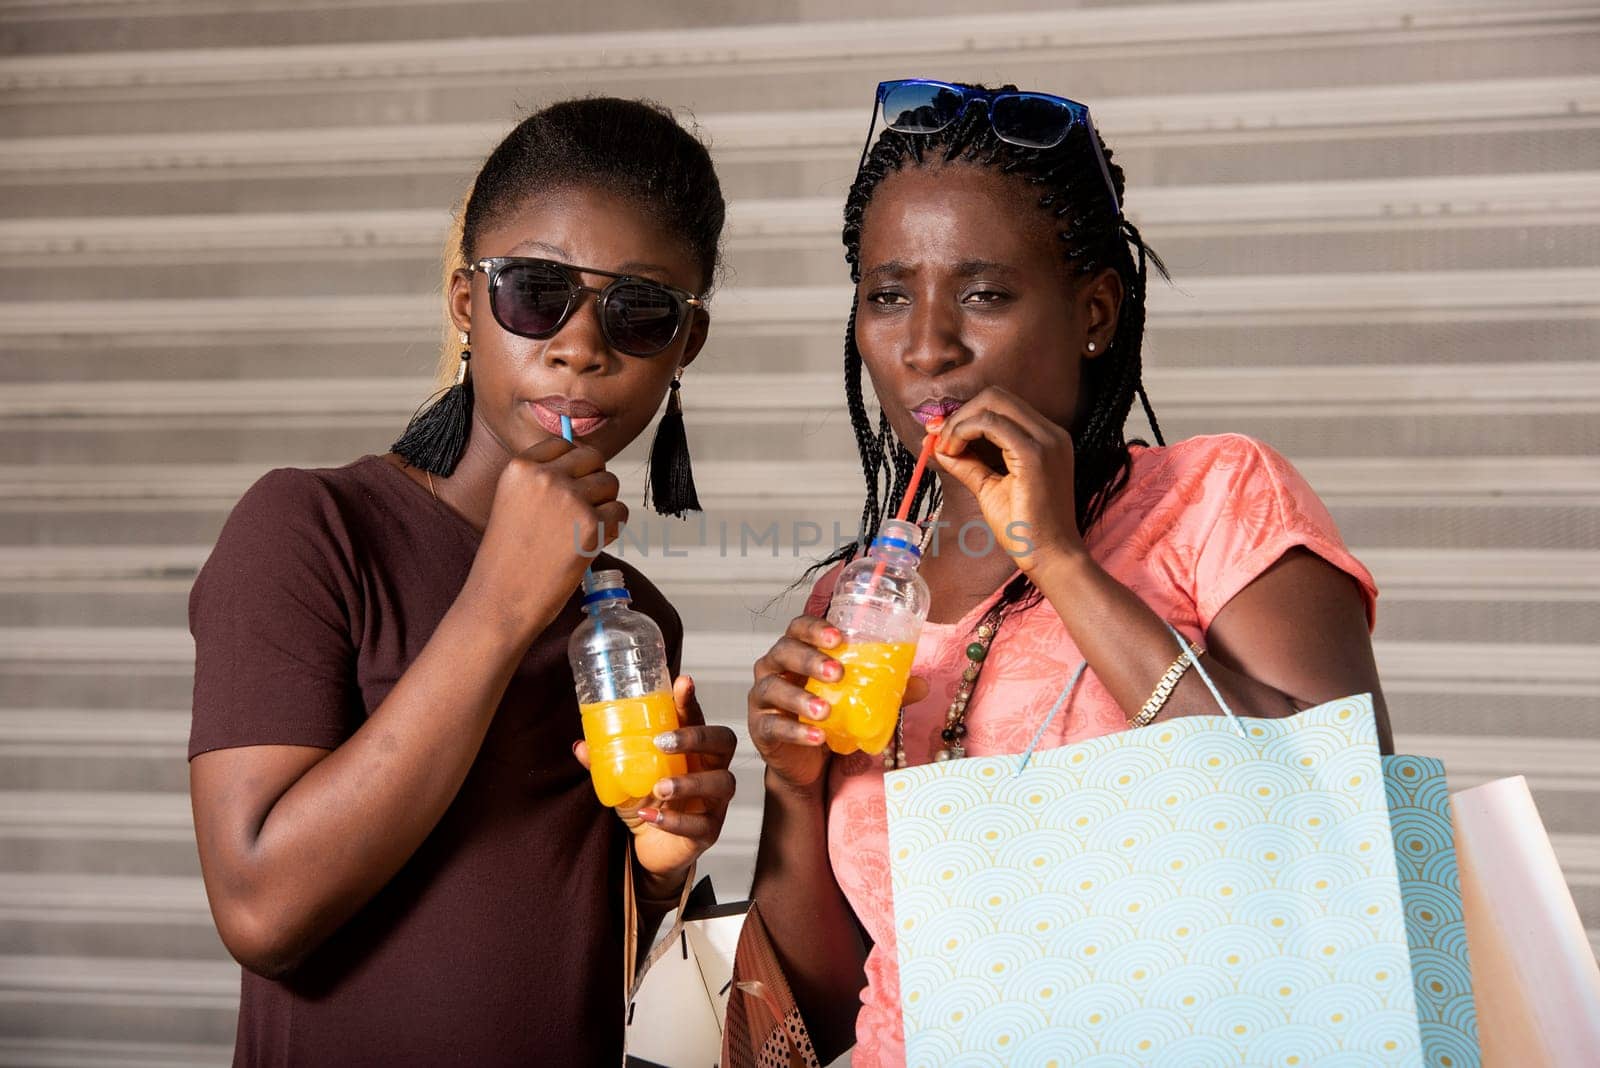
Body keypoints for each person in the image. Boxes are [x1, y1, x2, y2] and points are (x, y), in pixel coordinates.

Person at [745, 80, 1390, 1067]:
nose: (926, 344)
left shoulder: (1218, 501)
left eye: (983, 293)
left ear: (1093, 310)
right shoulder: (862, 606)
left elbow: (1344, 831)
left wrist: (1060, 560)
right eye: (887, 294)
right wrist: (792, 787)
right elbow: (827, 1016)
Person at [188, 97, 737, 1066]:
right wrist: (497, 603)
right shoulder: (309, 531)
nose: (579, 345)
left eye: (638, 312)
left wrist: (657, 869)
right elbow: (261, 911)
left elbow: (563, 953)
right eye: (536, 291)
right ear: (465, 305)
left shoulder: (634, 618)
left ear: (683, 347)